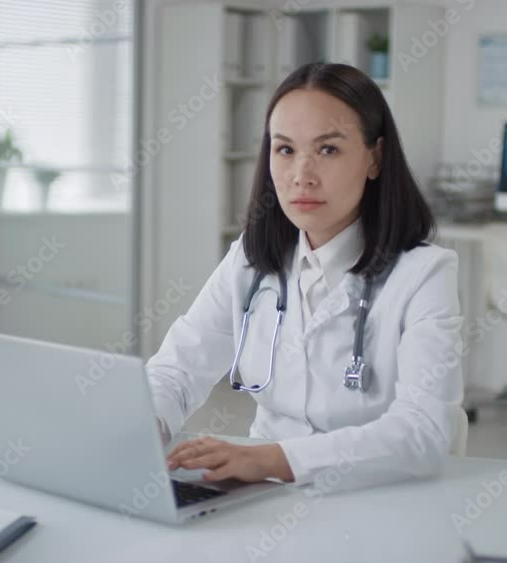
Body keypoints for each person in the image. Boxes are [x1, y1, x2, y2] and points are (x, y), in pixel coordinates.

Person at [146, 62, 464, 487]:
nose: (302, 176)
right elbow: (176, 372)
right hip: (259, 495)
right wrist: (144, 426)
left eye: (327, 149)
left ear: (375, 157)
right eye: (285, 149)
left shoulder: (424, 274)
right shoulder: (251, 258)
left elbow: (422, 434)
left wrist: (273, 460)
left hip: (375, 496)